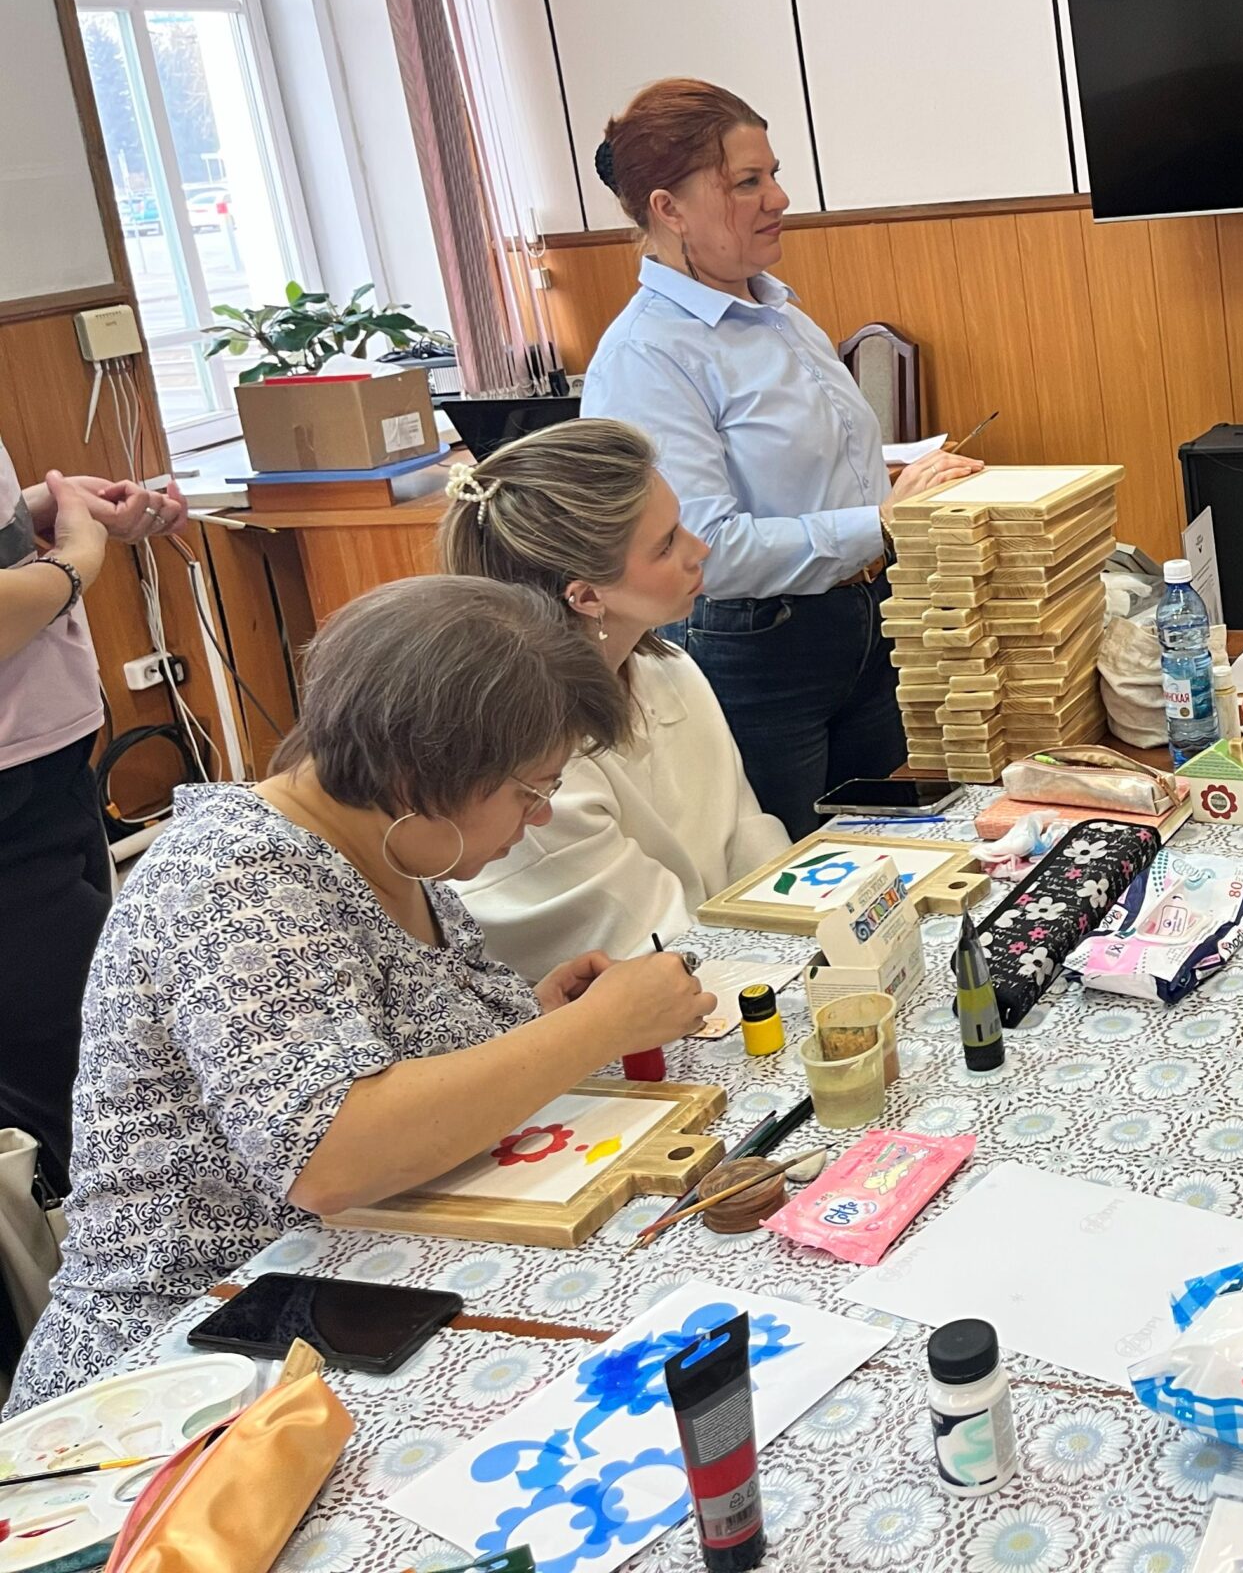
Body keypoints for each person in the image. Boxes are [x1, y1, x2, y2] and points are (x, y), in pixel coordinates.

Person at [5, 577, 714, 1408]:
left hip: (340, 1305)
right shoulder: (235, 876)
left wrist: (535, 1019)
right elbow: (328, 1156)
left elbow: (386, 1046)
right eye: (533, 790)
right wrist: (592, 1032)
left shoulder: (391, 846)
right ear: (420, 776)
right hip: (181, 1365)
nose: (542, 816)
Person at [578, 79, 982, 835]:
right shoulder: (647, 355)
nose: (779, 198)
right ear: (668, 208)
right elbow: (705, 548)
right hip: (758, 652)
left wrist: (903, 484)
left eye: (773, 173)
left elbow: (805, 469)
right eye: (746, 182)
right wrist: (880, 521)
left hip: (865, 623)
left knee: (892, 850)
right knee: (791, 866)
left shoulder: (779, 312)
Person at [440, 419, 792, 980]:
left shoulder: (668, 668)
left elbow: (749, 843)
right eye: (666, 544)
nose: (699, 549)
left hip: (721, 963)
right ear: (586, 596)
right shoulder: (537, 757)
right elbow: (647, 952)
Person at [0, 438, 185, 1198]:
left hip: (48, 762)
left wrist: (40, 511)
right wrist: (74, 560)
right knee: (110, 1091)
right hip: (11, 811)